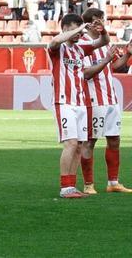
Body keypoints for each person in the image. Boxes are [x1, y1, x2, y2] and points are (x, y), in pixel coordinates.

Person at [48, 13, 108, 198]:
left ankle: (71, 186)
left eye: (79, 29)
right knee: (71, 143)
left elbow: (103, 41)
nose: (78, 34)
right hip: (64, 101)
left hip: (81, 102)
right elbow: (55, 41)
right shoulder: (57, 48)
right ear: (65, 28)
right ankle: (65, 187)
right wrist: (80, 29)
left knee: (80, 145)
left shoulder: (80, 49)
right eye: (73, 29)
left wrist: (102, 29)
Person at [78, 9, 132, 194]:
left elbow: (115, 66)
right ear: (87, 24)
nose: (100, 22)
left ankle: (113, 183)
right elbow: (85, 73)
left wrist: (127, 54)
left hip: (111, 99)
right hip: (93, 99)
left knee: (114, 140)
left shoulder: (105, 42)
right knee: (90, 142)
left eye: (102, 18)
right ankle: (88, 184)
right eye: (96, 20)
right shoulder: (82, 44)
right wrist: (106, 59)